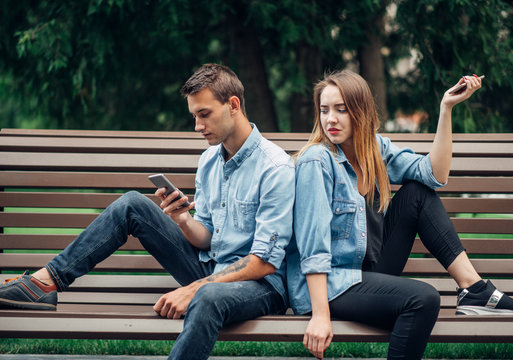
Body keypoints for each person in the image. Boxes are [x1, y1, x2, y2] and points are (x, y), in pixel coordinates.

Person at [0, 64, 295, 360]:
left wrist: (193, 288)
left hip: (260, 286)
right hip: (211, 268)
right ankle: (44, 282)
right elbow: (206, 238)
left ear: (233, 105)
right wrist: (181, 219)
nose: (197, 126)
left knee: (205, 297)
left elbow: (264, 262)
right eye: (194, 116)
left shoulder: (275, 167)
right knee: (132, 204)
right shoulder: (209, 160)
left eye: (204, 114)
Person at [286, 70, 513, 360]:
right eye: (324, 110)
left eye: (342, 110)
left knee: (418, 192)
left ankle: (474, 288)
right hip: (331, 284)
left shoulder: (374, 148)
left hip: (365, 273)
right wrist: (320, 315)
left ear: (361, 111)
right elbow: (312, 245)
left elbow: (434, 174)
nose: (331, 119)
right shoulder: (317, 161)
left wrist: (446, 109)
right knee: (424, 299)